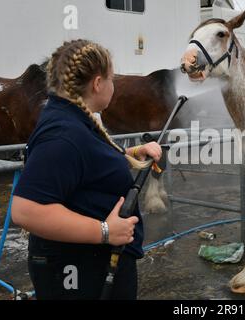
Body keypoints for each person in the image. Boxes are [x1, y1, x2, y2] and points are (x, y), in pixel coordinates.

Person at [11, 39, 162, 300]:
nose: (114, 86)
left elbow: (85, 163)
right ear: (97, 83)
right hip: (79, 271)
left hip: (90, 263)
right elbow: (26, 211)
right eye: (112, 79)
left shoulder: (72, 119)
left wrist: (130, 153)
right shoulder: (63, 133)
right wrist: (104, 231)